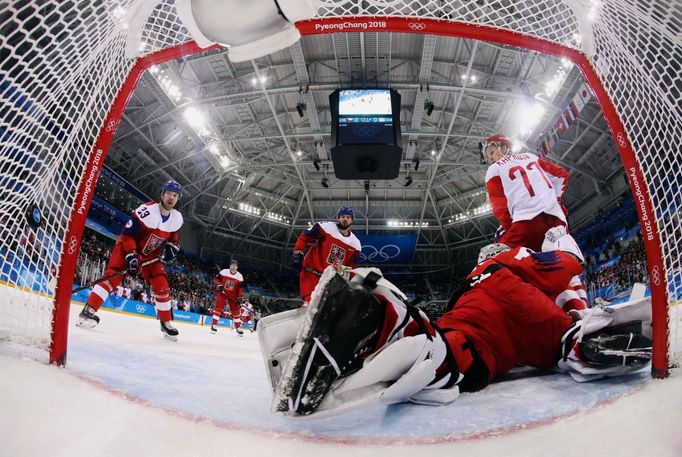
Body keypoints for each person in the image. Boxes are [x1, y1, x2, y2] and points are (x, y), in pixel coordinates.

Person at [264, 242, 651, 417]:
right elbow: (567, 265)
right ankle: (597, 340)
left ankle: (380, 325)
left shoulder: (475, 276)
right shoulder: (514, 257)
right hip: (514, 308)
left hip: (470, 312)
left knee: (450, 340)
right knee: (566, 343)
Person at [77, 180, 184, 340]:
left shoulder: (176, 218)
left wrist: (172, 249)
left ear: (177, 199)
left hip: (151, 255)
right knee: (113, 276)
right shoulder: (146, 210)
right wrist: (132, 254)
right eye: (168, 193)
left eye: (175, 195)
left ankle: (166, 323)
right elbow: (127, 235)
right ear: (162, 194)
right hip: (128, 247)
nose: (171, 197)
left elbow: (173, 240)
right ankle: (88, 311)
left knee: (162, 284)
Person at [484, 134, 570, 252]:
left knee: (495, 260)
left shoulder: (494, 170)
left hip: (526, 225)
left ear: (503, 148)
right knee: (562, 258)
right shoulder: (530, 157)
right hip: (557, 220)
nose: (491, 159)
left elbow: (501, 210)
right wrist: (557, 202)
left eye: (492, 153)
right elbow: (562, 175)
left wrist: (512, 228)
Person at [292, 206, 362, 304]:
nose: (345, 219)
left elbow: (351, 267)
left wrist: (353, 283)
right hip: (311, 272)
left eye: (348, 217)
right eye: (342, 216)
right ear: (338, 218)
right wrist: (298, 253)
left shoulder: (355, 244)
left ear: (352, 220)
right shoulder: (326, 228)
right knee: (310, 304)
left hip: (330, 280)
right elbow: (304, 236)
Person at [212, 259, 245, 336]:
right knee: (218, 308)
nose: (233, 267)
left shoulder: (239, 276)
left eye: (235, 265)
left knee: (236, 311)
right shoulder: (224, 272)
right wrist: (219, 284)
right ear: (230, 266)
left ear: (237, 267)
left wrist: (239, 297)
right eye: (232, 265)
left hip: (233, 296)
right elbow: (216, 279)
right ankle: (214, 325)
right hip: (223, 293)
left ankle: (238, 328)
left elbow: (240, 288)